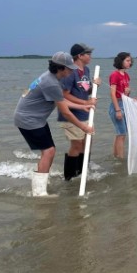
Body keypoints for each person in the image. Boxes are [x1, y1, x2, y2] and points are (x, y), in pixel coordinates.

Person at [14, 52, 94, 197]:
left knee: (49, 151)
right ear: (60, 68)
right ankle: (39, 192)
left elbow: (61, 101)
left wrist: (81, 106)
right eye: (69, 68)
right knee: (49, 151)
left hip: (35, 119)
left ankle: (41, 181)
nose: (71, 71)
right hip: (29, 120)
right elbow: (66, 113)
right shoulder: (51, 83)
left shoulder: (51, 78)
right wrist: (84, 127)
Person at [58, 43, 100, 181]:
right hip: (72, 114)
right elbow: (65, 94)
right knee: (76, 145)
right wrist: (85, 103)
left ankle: (82, 173)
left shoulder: (86, 70)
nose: (90, 56)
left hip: (85, 113)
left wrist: (94, 85)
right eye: (88, 54)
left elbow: (85, 89)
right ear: (80, 56)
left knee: (87, 142)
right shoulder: (71, 72)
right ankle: (69, 177)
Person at [108, 52, 133, 159]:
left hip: (124, 104)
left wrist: (128, 93)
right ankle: (121, 159)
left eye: (130, 61)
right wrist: (118, 110)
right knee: (122, 134)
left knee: (120, 133)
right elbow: (112, 93)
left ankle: (116, 157)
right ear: (121, 61)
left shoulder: (126, 75)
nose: (129, 62)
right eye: (127, 60)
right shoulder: (115, 75)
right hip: (116, 105)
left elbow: (125, 94)